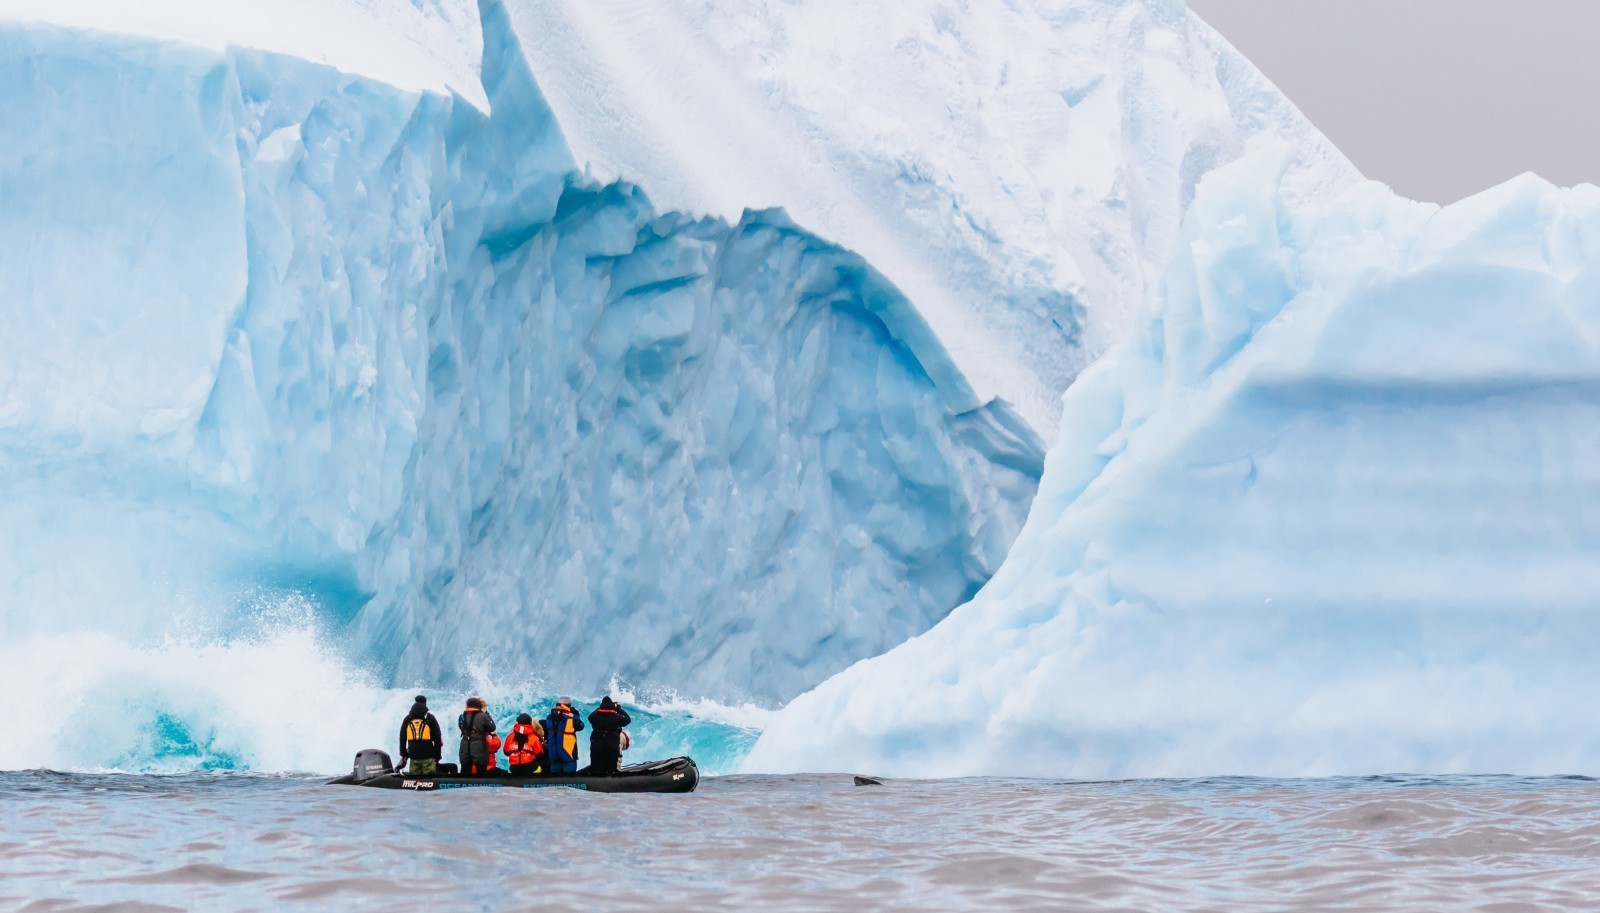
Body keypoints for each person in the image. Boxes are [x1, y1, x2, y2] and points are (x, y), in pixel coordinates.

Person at [585, 696, 633, 776]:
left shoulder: (595, 717)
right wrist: (618, 708)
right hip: (611, 746)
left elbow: (590, 717)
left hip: (596, 745)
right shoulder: (616, 717)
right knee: (611, 770)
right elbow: (628, 719)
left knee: (596, 769)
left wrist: (600, 707)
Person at [397, 695, 443, 776]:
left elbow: (402, 737)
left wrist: (404, 754)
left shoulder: (408, 719)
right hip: (428, 756)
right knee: (429, 779)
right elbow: (437, 738)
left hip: (414, 756)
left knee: (414, 779)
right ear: (425, 704)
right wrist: (437, 756)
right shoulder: (430, 718)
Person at [543, 697, 585, 775]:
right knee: (569, 774)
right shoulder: (571, 717)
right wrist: (576, 715)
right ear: (569, 705)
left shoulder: (549, 717)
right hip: (567, 752)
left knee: (554, 774)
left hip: (553, 751)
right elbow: (581, 726)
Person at [458, 696, 497, 775]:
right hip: (479, 748)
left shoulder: (462, 716)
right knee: (481, 771)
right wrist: (486, 714)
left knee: (465, 770)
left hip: (464, 746)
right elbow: (492, 727)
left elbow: (461, 727)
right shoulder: (483, 716)